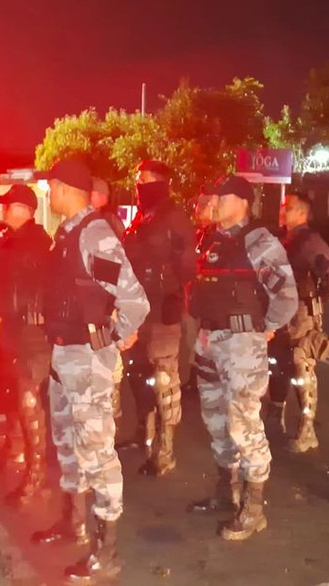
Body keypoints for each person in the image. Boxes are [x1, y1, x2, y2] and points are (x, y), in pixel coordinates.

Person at [31, 157, 149, 583]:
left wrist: (110, 338)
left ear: (65, 189)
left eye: (51, 188)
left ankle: (107, 550)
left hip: (88, 359)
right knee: (68, 444)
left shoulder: (94, 236)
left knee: (98, 455)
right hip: (64, 358)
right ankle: (72, 522)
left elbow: (134, 300)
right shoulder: (66, 235)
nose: (48, 194)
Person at [186, 174, 298, 542]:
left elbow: (286, 296)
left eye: (222, 197)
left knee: (244, 426)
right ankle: (226, 492)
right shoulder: (211, 240)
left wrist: (262, 330)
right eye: (214, 196)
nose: (214, 202)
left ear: (243, 203)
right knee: (216, 422)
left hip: (241, 346)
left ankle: (253, 510)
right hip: (210, 341)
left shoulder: (260, 242)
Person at [118, 160, 196, 477]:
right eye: (137, 178)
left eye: (145, 179)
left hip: (163, 311)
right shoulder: (142, 218)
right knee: (139, 377)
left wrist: (171, 293)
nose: (139, 184)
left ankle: (165, 451)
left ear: (161, 182)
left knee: (165, 381)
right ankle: (143, 433)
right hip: (138, 312)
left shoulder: (173, 218)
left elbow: (188, 265)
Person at [0, 184, 54, 506]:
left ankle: (36, 476)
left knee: (29, 401)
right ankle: (15, 450)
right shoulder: (13, 242)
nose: (2, 210)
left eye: (8, 205)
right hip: (15, 331)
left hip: (31, 335)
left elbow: (35, 292)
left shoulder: (35, 244)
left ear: (24, 210)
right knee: (17, 395)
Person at [263, 191, 329, 453]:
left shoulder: (310, 242)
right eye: (283, 206)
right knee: (277, 365)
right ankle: (274, 420)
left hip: (301, 314)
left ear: (303, 214)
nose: (283, 211)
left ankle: (307, 429)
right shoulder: (283, 240)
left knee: (300, 366)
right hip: (279, 313)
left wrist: (314, 306)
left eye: (289, 207)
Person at [180, 184, 217, 394]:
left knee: (204, 338)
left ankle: (204, 378)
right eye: (198, 204)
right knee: (191, 336)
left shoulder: (219, 235)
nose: (198, 209)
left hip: (210, 299)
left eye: (203, 205)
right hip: (194, 295)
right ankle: (196, 376)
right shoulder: (200, 233)